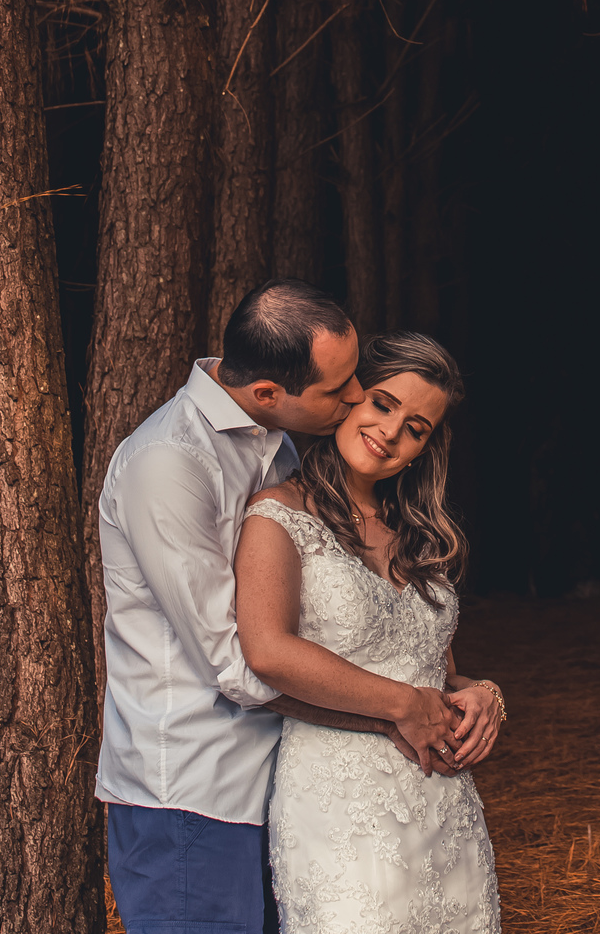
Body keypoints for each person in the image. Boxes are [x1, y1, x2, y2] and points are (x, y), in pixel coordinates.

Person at [96, 281, 465, 934]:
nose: (354, 400)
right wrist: (394, 715)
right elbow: (238, 664)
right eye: (342, 389)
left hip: (279, 787)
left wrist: (464, 692)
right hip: (192, 792)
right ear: (268, 391)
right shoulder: (168, 463)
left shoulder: (279, 442)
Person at [235, 330, 504, 934]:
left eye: (417, 428)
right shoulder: (278, 516)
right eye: (383, 403)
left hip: (444, 807)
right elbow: (267, 652)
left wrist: (483, 693)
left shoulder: (419, 535)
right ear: (350, 394)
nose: (391, 432)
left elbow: (434, 666)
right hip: (340, 806)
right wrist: (406, 705)